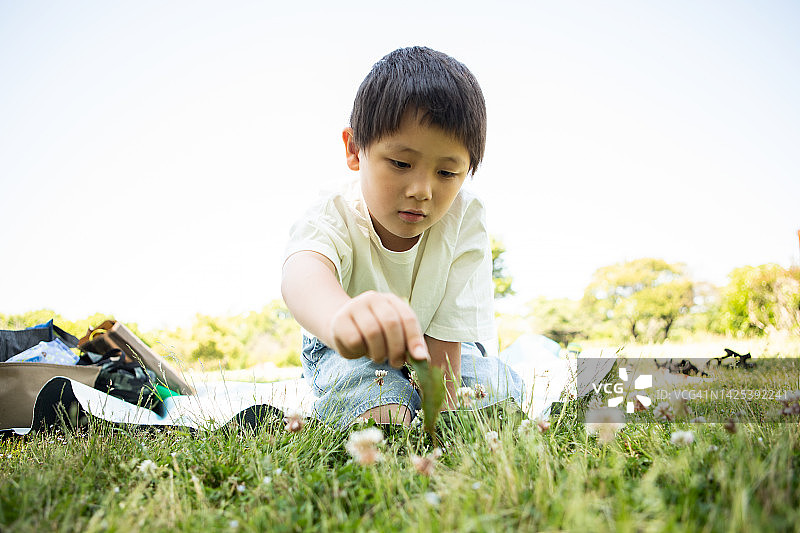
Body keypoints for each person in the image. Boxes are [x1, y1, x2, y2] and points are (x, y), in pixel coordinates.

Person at [281, 46, 523, 428]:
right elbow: (302, 275)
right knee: (381, 410)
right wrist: (340, 319)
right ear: (354, 149)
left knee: (496, 389)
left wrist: (438, 417)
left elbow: (447, 349)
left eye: (447, 173)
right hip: (344, 349)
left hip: (431, 346)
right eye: (401, 164)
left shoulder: (465, 216)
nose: (422, 190)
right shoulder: (333, 210)